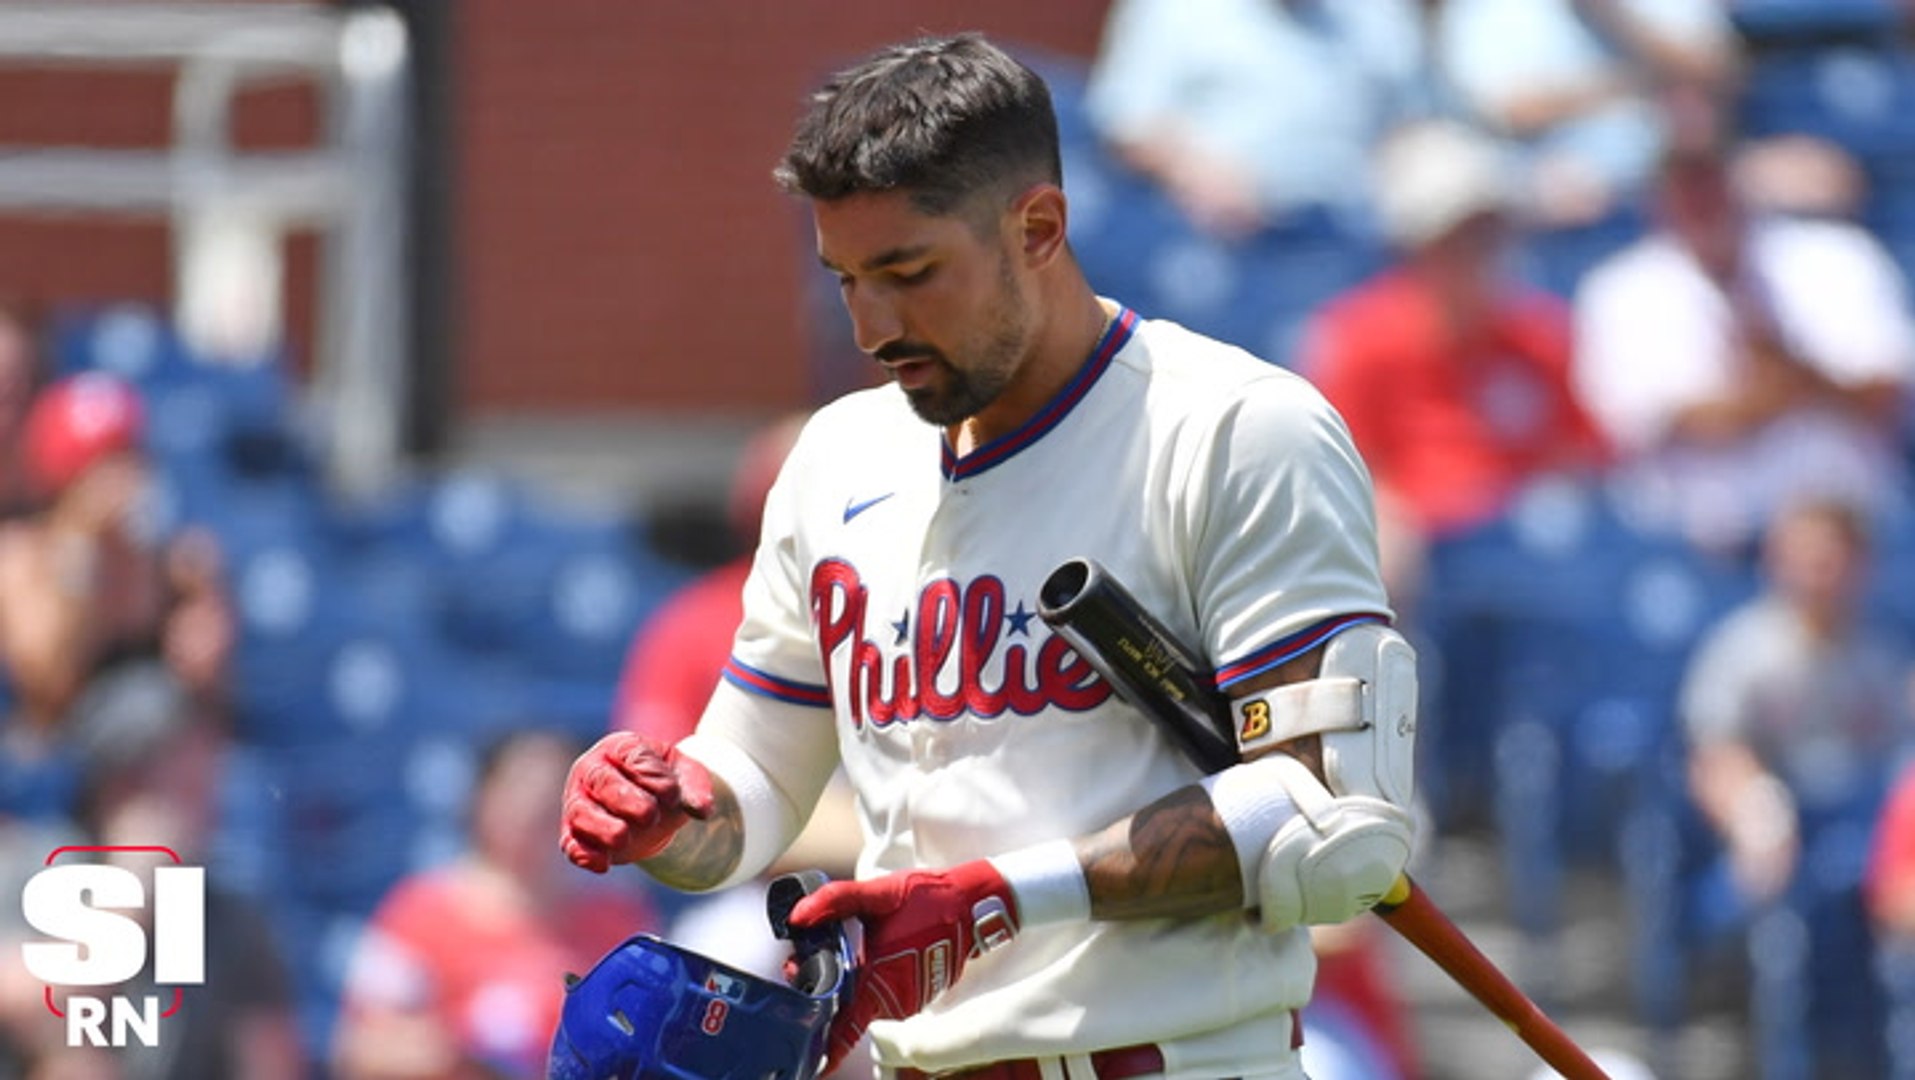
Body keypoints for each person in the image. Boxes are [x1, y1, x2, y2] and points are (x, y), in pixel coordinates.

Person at [560, 33, 1418, 1080]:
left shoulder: (1237, 430)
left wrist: (1002, 899)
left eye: (909, 273)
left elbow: (1326, 830)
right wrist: (674, 813)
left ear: (1039, 228)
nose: (872, 326)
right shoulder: (835, 457)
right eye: (844, 280)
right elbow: (749, 788)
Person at [1573, 121, 1915, 555]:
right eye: (1684, 183)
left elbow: (1883, 393)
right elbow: (1667, 424)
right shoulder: (1618, 291)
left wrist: (1785, 374)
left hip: (1850, 534)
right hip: (1705, 549)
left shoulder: (1837, 255)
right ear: (1657, 196)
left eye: (1710, 178)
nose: (1701, 198)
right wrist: (1794, 387)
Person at [1304, 118, 1607, 605]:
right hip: (1422, 547)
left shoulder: (1541, 334)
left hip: (1524, 539)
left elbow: (1582, 455)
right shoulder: (1360, 336)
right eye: (1460, 236)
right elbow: (1341, 473)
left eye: (1490, 232)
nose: (1481, 252)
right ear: (1420, 246)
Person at [1681, 499, 1909, 1076]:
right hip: (1778, 834)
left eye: (1829, 559)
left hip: (1863, 835)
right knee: (1762, 902)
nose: (1814, 573)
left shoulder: (1885, 652)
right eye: (1800, 557)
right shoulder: (1743, 648)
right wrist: (1756, 816)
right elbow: (1714, 754)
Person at [335, 729, 659, 1080]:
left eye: (557, 794)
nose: (536, 806)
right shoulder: (420, 913)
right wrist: (465, 1048)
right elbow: (361, 1048)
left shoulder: (617, 919)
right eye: (521, 789)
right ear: (483, 799)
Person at [1084, 0, 1427, 239]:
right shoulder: (1176, 8)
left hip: (1353, 235)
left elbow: (1415, 126)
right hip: (1221, 239)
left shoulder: (1376, 14)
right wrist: (1197, 171)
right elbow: (1126, 124)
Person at [1433, 0, 1740, 226]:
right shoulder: (1484, 11)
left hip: (1669, 203)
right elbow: (1511, 111)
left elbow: (1717, 72)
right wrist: (1633, 84)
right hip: (1549, 214)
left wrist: (1615, 14)